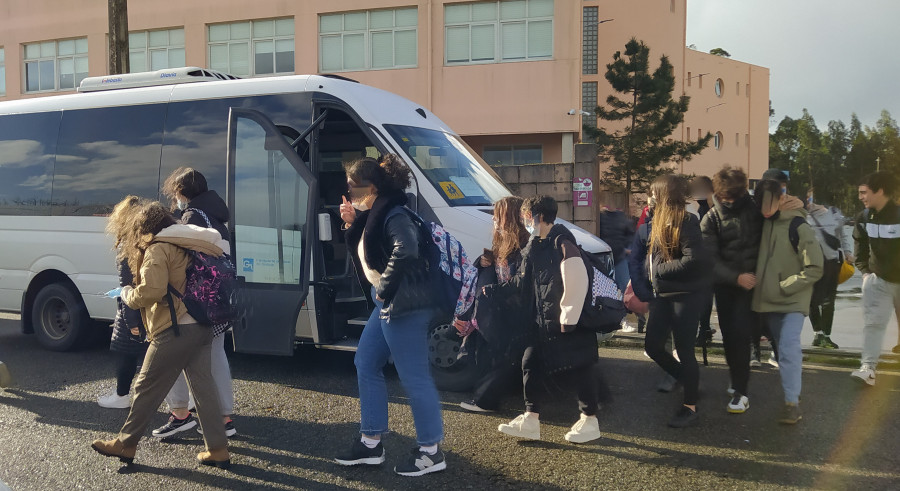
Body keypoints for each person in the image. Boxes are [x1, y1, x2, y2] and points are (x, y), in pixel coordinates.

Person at [92, 199, 230, 468]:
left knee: (146, 386)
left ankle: (126, 443)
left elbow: (151, 291)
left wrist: (127, 295)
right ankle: (218, 449)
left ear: (143, 227)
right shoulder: (187, 243)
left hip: (175, 327)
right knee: (204, 389)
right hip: (202, 325)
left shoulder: (158, 248)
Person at [333, 155, 446, 477]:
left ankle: (431, 452)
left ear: (373, 186)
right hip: (390, 303)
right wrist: (351, 221)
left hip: (403, 304)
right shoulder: (378, 212)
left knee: (415, 377)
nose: (351, 192)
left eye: (354, 187)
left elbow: (406, 249)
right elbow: (370, 247)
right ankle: (371, 443)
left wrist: (384, 287)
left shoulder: (394, 213)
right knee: (366, 362)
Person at [491, 195, 602, 444]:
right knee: (530, 361)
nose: (524, 221)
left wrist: (569, 319)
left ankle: (590, 420)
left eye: (526, 217)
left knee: (581, 368)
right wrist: (496, 291)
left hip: (569, 321)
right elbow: (522, 279)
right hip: (545, 321)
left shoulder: (562, 242)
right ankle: (531, 419)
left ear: (537, 217)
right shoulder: (535, 243)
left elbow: (577, 280)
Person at [151, 167, 237, 438]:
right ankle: (224, 417)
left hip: (198, 301)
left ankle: (181, 414)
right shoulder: (216, 214)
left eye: (175, 194)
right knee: (216, 356)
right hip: (220, 296)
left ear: (181, 193)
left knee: (174, 352)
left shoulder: (191, 217)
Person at [641, 175, 711, 427]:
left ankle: (690, 407)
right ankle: (688, 379)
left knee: (684, 351)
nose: (650, 196)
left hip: (686, 297)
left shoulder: (687, 220)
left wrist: (657, 272)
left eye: (653, 192)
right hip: (663, 295)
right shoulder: (659, 220)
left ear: (664, 195)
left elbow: (694, 259)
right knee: (652, 346)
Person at [752, 180, 823, 424]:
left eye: (772, 199)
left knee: (789, 347)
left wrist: (787, 285)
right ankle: (792, 394)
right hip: (767, 301)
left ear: (783, 197)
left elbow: (815, 267)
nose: (767, 206)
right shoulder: (758, 223)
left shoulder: (798, 225)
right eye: (762, 200)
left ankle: (791, 403)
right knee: (782, 350)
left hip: (793, 300)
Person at [457, 196, 531, 413]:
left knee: (496, 356)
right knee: (491, 354)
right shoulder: (506, 243)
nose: (494, 222)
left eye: (498, 217)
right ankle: (486, 398)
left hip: (510, 312)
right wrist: (482, 262)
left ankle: (486, 401)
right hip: (499, 309)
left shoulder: (524, 246)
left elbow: (519, 281)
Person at [700, 167, 762, 414]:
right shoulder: (712, 218)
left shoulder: (758, 210)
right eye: (725, 197)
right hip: (727, 287)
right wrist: (736, 277)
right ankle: (738, 383)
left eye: (735, 196)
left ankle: (740, 389)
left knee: (744, 337)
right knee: (731, 338)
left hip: (757, 285)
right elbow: (708, 259)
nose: (730, 201)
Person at [96, 197, 149, 409]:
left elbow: (128, 284)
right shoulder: (148, 240)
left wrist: (131, 319)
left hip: (133, 308)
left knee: (127, 353)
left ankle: (121, 396)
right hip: (146, 307)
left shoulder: (129, 245)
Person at [850, 172, 900, 386]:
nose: (861, 197)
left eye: (865, 192)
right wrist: (865, 273)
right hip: (878, 281)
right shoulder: (863, 218)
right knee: (873, 324)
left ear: (880, 191)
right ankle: (868, 368)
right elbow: (860, 246)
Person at [806, 200, 854, 349]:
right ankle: (817, 333)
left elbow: (842, 236)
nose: (810, 204)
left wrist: (847, 252)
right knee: (811, 299)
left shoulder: (834, 214)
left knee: (829, 300)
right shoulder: (803, 216)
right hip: (811, 262)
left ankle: (826, 335)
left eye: (812, 200)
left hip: (833, 262)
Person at [597, 207, 635, 332]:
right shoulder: (599, 215)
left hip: (619, 256)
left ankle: (622, 320)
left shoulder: (620, 216)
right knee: (606, 290)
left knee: (624, 287)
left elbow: (630, 233)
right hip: (603, 258)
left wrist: (627, 248)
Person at [691, 175, 716, 347]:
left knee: (705, 298)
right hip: (703, 261)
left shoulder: (711, 211)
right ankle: (704, 329)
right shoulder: (698, 210)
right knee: (703, 299)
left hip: (712, 262)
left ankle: (704, 330)